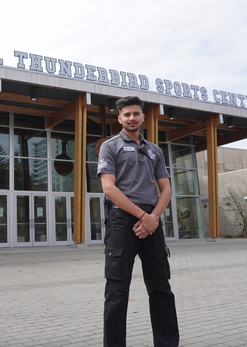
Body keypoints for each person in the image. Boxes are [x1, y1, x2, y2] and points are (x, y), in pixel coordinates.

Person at [98, 96, 179, 347]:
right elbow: (109, 189)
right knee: (117, 292)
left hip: (152, 221)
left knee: (161, 289)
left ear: (143, 116)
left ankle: (166, 343)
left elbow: (166, 189)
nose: (132, 118)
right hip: (123, 222)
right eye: (126, 114)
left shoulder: (154, 150)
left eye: (136, 113)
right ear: (119, 118)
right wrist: (143, 217)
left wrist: (153, 217)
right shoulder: (110, 147)